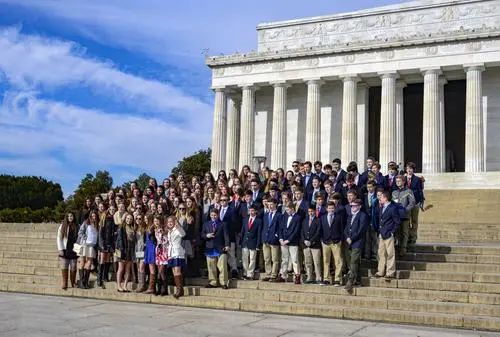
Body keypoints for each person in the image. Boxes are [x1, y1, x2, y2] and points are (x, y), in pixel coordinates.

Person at [373, 191, 401, 279]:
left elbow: (397, 222)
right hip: (381, 234)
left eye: (381, 197)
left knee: (390, 254)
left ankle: (390, 272)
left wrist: (392, 232)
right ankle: (380, 271)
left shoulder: (392, 208)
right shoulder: (381, 207)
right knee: (381, 253)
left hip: (388, 234)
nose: (379, 198)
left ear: (385, 198)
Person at [344, 199, 369, 291]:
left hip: (357, 242)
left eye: (354, 206)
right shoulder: (350, 216)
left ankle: (350, 281)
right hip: (349, 241)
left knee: (353, 261)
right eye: (351, 206)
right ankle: (358, 279)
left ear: (359, 206)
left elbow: (361, 230)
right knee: (354, 261)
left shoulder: (363, 216)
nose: (352, 207)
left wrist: (352, 238)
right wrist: (347, 237)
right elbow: (346, 228)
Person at [202, 208, 230, 289]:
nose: (213, 216)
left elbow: (226, 235)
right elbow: (202, 235)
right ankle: (213, 282)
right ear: (210, 216)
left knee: (222, 266)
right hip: (210, 247)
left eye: (215, 215)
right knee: (211, 267)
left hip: (221, 247)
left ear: (218, 215)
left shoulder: (223, 224)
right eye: (212, 215)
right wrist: (207, 236)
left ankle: (223, 282)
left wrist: (227, 245)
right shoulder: (206, 224)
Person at [320, 197, 346, 286]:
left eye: (332, 208)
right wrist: (322, 240)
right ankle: (326, 279)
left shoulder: (339, 217)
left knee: (338, 261)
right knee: (326, 261)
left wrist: (340, 240)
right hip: (325, 242)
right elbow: (321, 229)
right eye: (329, 208)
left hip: (336, 242)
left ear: (335, 209)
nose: (331, 209)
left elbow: (342, 229)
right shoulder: (322, 217)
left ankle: (338, 279)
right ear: (326, 209)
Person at [277, 203, 301, 284]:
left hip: (293, 242)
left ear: (292, 208)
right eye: (286, 210)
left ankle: (297, 276)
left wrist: (288, 240)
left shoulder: (297, 218)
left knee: (294, 260)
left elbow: (296, 231)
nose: (286, 211)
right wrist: (280, 238)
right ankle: (283, 275)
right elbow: (280, 228)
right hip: (283, 241)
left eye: (287, 209)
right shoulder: (285, 216)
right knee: (284, 259)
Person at [392, 175, 416, 257]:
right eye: (396, 181)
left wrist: (405, 210)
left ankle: (403, 248)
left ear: (403, 181)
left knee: (405, 232)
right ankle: (398, 247)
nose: (397, 182)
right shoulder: (394, 192)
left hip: (405, 216)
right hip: (396, 217)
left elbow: (412, 202)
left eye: (399, 181)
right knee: (397, 232)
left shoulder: (409, 191)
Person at [77, 210, 99, 289]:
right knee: (82, 262)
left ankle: (85, 282)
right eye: (92, 216)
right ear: (90, 216)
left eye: (95, 216)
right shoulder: (86, 223)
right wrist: (85, 239)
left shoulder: (97, 224)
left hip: (92, 246)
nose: (94, 217)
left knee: (89, 263)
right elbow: (80, 232)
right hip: (84, 244)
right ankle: (81, 281)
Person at [261, 198, 281, 282]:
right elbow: (264, 227)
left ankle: (274, 274)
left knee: (275, 258)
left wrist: (276, 236)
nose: (270, 206)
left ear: (275, 204)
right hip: (266, 239)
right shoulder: (266, 215)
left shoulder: (279, 215)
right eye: (268, 205)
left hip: (274, 240)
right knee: (267, 258)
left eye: (271, 204)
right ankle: (268, 273)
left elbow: (280, 228)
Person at [165, 216, 186, 298]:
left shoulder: (177, 229)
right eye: (168, 222)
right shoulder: (168, 231)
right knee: (174, 271)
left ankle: (179, 290)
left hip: (177, 251)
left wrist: (178, 226)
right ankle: (179, 289)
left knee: (177, 271)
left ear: (175, 222)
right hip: (171, 252)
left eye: (171, 221)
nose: (170, 223)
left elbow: (183, 234)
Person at [405, 162, 424, 251]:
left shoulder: (417, 179)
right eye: (408, 168)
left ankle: (413, 238)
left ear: (413, 170)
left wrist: (420, 200)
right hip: (406, 204)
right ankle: (407, 238)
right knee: (407, 221)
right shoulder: (403, 179)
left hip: (415, 203)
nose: (409, 170)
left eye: (411, 168)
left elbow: (420, 191)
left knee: (414, 221)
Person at [57, 212, 79, 290]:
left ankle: (73, 282)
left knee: (73, 266)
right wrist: (60, 249)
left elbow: (79, 238)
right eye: (68, 216)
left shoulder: (77, 226)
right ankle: (65, 283)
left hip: (74, 249)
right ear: (66, 217)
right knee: (64, 266)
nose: (70, 217)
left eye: (71, 216)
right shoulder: (62, 226)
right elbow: (59, 238)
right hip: (65, 249)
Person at [240, 204, 262, 280]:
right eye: (250, 210)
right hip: (245, 242)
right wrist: (241, 241)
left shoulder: (259, 221)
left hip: (253, 242)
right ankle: (245, 272)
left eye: (253, 210)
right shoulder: (245, 219)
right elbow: (243, 231)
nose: (251, 212)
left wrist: (258, 244)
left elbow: (259, 233)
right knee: (244, 258)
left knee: (252, 258)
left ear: (256, 211)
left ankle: (250, 274)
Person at [301, 206, 322, 284]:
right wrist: (304, 240)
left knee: (316, 262)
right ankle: (309, 277)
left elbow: (318, 232)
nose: (310, 213)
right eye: (309, 211)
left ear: (315, 211)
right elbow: (302, 231)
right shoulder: (304, 220)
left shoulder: (318, 220)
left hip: (315, 245)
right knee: (307, 262)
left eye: (312, 211)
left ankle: (318, 277)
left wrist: (311, 241)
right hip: (306, 245)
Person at [116, 213, 136, 292]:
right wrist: (122, 250)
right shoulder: (121, 227)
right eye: (128, 218)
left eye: (131, 219)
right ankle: (118, 286)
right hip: (122, 249)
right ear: (125, 219)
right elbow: (120, 239)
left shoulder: (132, 228)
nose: (129, 220)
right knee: (121, 269)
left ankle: (125, 286)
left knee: (128, 269)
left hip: (130, 250)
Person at [154, 216, 169, 296]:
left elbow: (166, 241)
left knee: (161, 271)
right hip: (158, 251)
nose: (156, 222)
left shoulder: (165, 230)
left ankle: (163, 289)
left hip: (164, 250)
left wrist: (163, 233)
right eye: (155, 221)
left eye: (157, 221)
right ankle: (160, 289)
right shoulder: (155, 230)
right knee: (160, 271)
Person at [143, 215, 157, 294]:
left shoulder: (152, 228)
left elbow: (154, 240)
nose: (145, 220)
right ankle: (151, 287)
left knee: (152, 268)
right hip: (148, 248)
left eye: (146, 219)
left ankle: (151, 287)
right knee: (151, 268)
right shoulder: (148, 227)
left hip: (152, 248)